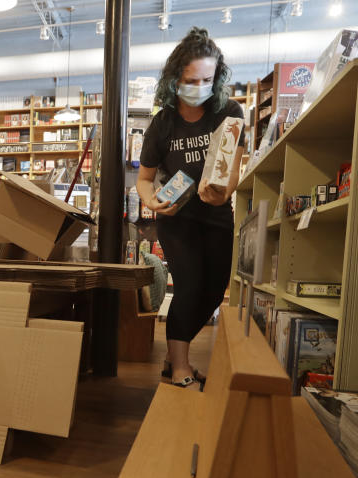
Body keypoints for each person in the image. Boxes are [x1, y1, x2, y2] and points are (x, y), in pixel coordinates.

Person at [136, 27, 245, 387]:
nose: (199, 86)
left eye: (207, 79)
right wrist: (152, 201)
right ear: (175, 79)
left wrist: (224, 192)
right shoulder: (162, 124)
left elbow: (234, 170)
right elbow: (144, 179)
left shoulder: (230, 112)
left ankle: (173, 357)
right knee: (189, 286)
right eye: (190, 79)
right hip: (178, 219)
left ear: (217, 78)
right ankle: (180, 365)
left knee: (213, 291)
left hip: (216, 217)